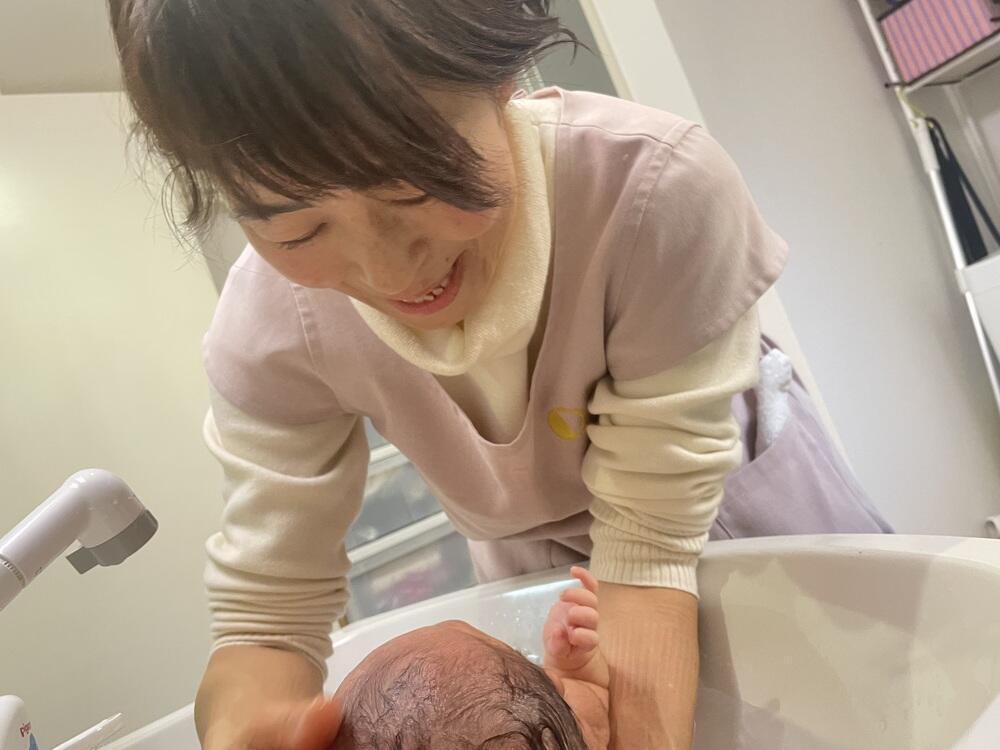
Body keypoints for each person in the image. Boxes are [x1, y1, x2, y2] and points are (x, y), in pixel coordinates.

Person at [106, 1, 892, 748]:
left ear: (499, 74)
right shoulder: (269, 329)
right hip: (542, 572)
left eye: (412, 184)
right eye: (299, 229)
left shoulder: (652, 190)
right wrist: (246, 724)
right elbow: (267, 612)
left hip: (734, 516)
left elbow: (649, 546)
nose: (390, 271)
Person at [330, 567, 608, 749]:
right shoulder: (584, 729)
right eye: (519, 656)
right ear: (554, 686)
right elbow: (597, 706)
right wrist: (575, 670)